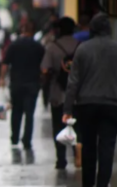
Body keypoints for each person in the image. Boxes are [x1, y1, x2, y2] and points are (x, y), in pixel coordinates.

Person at [62, 13, 117, 187]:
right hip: (111, 104)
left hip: (86, 104)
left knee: (88, 146)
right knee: (107, 147)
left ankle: (87, 186)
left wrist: (67, 108)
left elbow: (73, 81)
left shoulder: (83, 49)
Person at [41, 17, 80, 170]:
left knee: (58, 126)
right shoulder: (80, 46)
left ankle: (61, 159)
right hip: (77, 95)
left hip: (58, 93)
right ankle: (78, 154)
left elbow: (44, 69)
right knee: (78, 126)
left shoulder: (52, 47)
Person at [0, 21, 45, 153]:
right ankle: (27, 140)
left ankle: (14, 138)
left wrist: (1, 79)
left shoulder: (13, 45)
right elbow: (44, 66)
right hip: (32, 84)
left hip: (16, 84)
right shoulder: (38, 47)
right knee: (29, 114)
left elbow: (5, 64)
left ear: (21, 30)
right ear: (32, 31)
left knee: (16, 112)